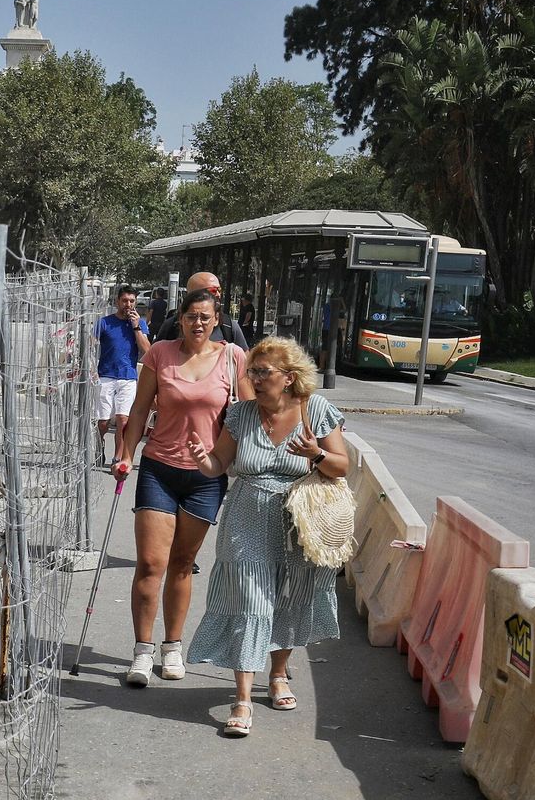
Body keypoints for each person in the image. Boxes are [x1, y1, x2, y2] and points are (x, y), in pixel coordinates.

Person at [183, 337, 349, 737]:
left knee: (288, 598)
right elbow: (220, 463)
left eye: (263, 372)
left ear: (288, 377)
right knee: (250, 603)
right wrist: (203, 460)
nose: (255, 379)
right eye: (252, 372)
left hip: (298, 522)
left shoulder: (315, 409)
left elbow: (342, 466)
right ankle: (242, 699)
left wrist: (316, 455)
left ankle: (277, 674)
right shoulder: (241, 413)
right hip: (246, 518)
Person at [116, 288, 253, 687]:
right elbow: (140, 409)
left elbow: (249, 416)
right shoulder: (160, 353)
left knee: (182, 563)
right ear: (180, 319)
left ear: (216, 321)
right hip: (159, 468)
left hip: (207, 477)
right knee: (150, 563)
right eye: (191, 316)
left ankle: (172, 646)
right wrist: (125, 454)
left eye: (205, 317)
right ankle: (142, 651)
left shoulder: (232, 357)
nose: (198, 323)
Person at [95, 285, 150, 465]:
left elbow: (147, 350)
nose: (128, 304)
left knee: (123, 419)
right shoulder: (104, 322)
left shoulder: (140, 324)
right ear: (117, 301)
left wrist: (136, 327)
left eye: (132, 301)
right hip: (105, 375)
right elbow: (90, 345)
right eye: (125, 300)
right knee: (103, 421)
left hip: (128, 376)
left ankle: (118, 457)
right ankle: (99, 444)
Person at [155, 272, 249, 349]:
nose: (218, 295)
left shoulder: (228, 326)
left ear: (216, 320)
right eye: (212, 291)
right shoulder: (171, 326)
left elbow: (245, 362)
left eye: (219, 290)